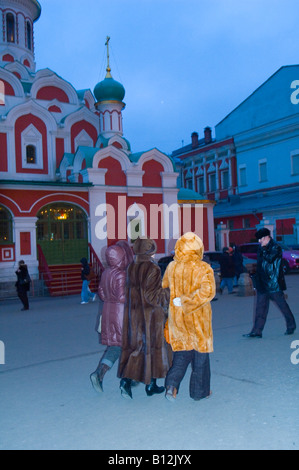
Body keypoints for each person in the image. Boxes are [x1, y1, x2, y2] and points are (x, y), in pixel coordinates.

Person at [162, 232, 216, 402]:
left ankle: (171, 386)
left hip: (178, 319)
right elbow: (208, 292)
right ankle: (199, 392)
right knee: (200, 357)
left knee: (182, 355)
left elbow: (164, 285)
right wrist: (188, 300)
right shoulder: (204, 268)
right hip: (198, 319)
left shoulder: (172, 267)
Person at [117, 237, 171, 399]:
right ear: (150, 251)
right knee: (153, 348)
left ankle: (138, 383)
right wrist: (168, 292)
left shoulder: (131, 267)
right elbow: (152, 296)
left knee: (137, 349)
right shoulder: (152, 268)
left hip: (135, 315)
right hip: (151, 316)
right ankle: (146, 384)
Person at [90, 241, 133, 393]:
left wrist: (109, 297)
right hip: (120, 314)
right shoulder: (121, 274)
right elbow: (122, 297)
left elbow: (101, 292)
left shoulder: (106, 272)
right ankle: (127, 381)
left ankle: (100, 373)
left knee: (115, 345)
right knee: (129, 345)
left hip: (108, 311)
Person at [243, 228, 296, 338]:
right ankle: (257, 331)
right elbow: (260, 263)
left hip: (273, 283)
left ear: (267, 237)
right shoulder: (261, 247)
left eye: (261, 239)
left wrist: (263, 250)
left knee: (282, 305)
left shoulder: (275, 247)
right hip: (262, 282)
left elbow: (270, 258)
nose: (259, 241)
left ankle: (291, 325)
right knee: (260, 307)